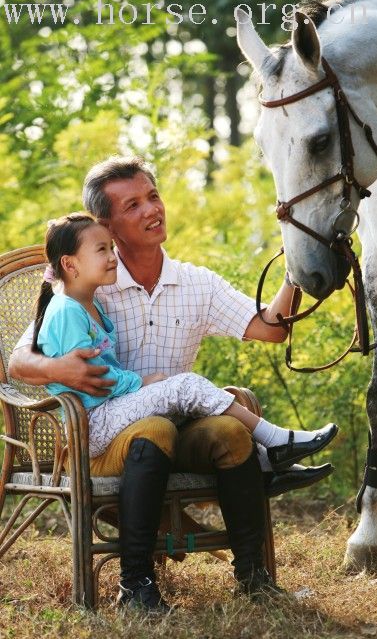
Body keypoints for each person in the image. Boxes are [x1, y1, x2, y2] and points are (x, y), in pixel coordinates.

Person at [9, 156, 337, 613]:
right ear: (108, 226)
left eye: (153, 196)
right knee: (155, 430)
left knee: (228, 432)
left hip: (180, 424)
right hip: (112, 439)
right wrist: (60, 368)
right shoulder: (88, 282)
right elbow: (20, 361)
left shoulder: (195, 283)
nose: (151, 210)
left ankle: (254, 578)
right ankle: (137, 585)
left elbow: (271, 326)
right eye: (133, 205)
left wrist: (295, 269)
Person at [33, 213, 337, 470]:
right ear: (70, 265)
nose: (112, 257)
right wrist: (141, 382)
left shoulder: (91, 304)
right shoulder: (65, 309)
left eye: (111, 248)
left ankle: (269, 459)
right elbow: (92, 376)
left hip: (110, 414)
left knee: (190, 399)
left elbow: (272, 327)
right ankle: (277, 441)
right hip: (92, 423)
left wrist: (294, 268)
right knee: (184, 386)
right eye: (102, 250)